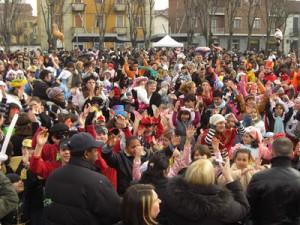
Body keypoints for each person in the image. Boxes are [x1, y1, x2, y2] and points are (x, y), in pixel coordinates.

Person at [44, 132, 121, 225]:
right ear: (86, 154)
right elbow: (115, 213)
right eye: (95, 150)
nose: (97, 153)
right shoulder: (97, 181)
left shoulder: (53, 175)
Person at [164, 159, 250, 225]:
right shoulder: (222, 206)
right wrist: (229, 178)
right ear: (212, 177)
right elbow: (243, 208)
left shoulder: (172, 193)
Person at [247, 137, 300, 225]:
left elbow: (248, 208)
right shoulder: (298, 178)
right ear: (292, 154)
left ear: (271, 154)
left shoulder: (258, 178)